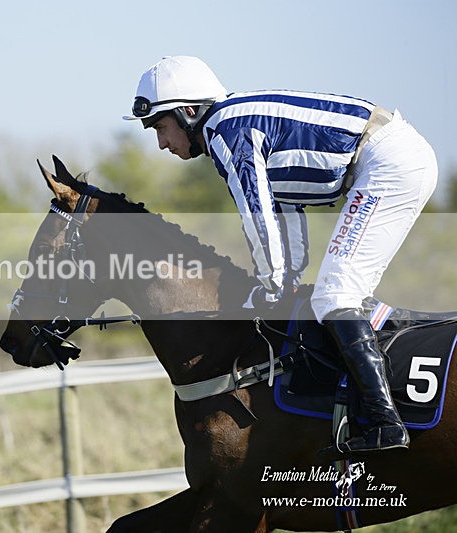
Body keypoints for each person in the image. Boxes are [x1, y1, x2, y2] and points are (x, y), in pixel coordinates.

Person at [123, 55, 438, 453]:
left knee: (336, 296)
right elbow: (283, 210)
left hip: (387, 164)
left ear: (188, 112)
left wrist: (271, 285)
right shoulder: (235, 122)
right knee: (335, 293)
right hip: (391, 158)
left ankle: (384, 421)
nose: (161, 143)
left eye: (161, 127)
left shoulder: (225, 130)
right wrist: (284, 279)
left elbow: (256, 213)